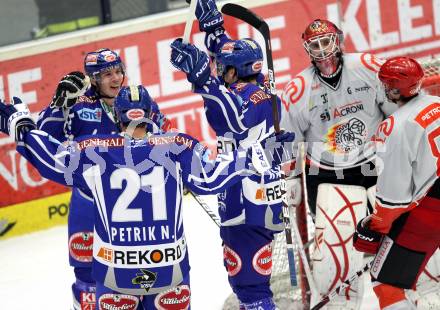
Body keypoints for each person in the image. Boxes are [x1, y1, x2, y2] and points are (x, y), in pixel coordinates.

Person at [0, 86, 293, 309]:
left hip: (116, 277)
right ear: (151, 113)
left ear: (117, 115)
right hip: (169, 273)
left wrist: (20, 125)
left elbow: (46, 157)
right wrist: (263, 153)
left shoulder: (92, 149)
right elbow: (213, 177)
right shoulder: (178, 144)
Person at [170, 1, 291, 308]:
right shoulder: (259, 86)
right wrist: (213, 26)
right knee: (250, 286)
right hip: (257, 197)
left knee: (251, 290)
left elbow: (234, 118)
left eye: (224, 68)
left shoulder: (246, 98)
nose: (219, 69)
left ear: (236, 71)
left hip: (246, 201)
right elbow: (228, 56)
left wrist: (203, 81)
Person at [37, 48, 171, 309]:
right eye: (107, 74)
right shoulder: (78, 103)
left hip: (132, 205)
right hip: (89, 202)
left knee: (139, 273)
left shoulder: (138, 100)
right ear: (93, 79)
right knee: (87, 276)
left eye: (118, 71)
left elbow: (167, 135)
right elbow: (44, 137)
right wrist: (58, 103)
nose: (116, 78)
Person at [280, 19, 397, 308]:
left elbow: (396, 112)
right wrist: (291, 177)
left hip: (374, 166)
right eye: (315, 44)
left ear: (339, 40)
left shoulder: (370, 68)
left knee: (399, 238)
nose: (322, 50)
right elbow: (288, 140)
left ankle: (403, 294)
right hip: (327, 174)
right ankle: (340, 302)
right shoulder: (298, 89)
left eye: (326, 41)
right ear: (307, 49)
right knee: (334, 254)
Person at [353, 56, 440, 310]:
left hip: (430, 210)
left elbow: (394, 195)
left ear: (393, 89)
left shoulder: (396, 126)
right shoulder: (437, 102)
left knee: (387, 284)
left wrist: (375, 225)